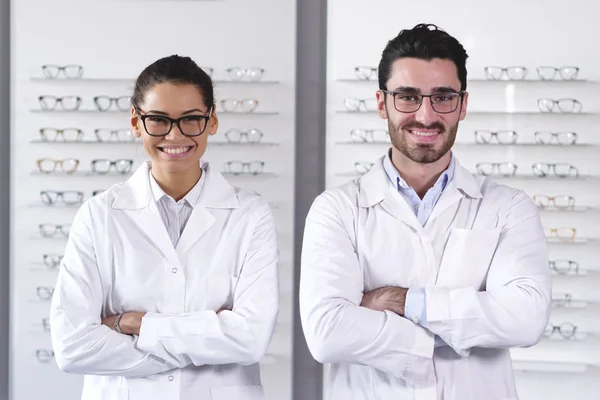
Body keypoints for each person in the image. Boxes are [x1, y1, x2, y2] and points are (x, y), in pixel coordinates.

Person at [300, 24, 551, 400]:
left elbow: (526, 320)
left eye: (443, 97)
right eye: (407, 97)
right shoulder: (336, 210)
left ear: (462, 105)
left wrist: (398, 302)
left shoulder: (508, 207)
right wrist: (464, 327)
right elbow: (326, 335)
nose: (426, 115)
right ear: (382, 103)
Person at [50, 55, 279, 400]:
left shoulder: (250, 215)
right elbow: (73, 347)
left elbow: (250, 340)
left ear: (212, 121)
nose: (175, 135)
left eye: (191, 120)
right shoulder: (98, 216)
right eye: (158, 120)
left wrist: (134, 324)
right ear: (136, 122)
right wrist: (207, 339)